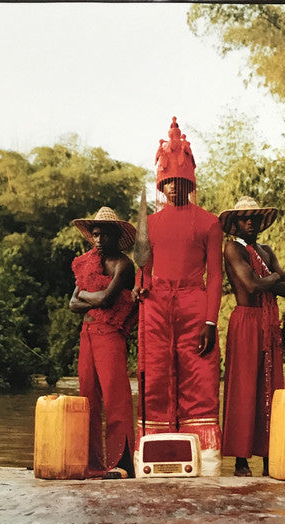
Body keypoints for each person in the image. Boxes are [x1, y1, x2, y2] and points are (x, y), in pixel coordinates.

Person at [133, 117, 223, 476]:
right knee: (154, 375)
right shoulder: (149, 224)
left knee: (200, 374)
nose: (173, 186)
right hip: (155, 304)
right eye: (167, 181)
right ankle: (153, 458)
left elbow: (215, 276)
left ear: (190, 182)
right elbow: (144, 268)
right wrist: (141, 286)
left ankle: (206, 462)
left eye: (180, 181)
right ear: (161, 184)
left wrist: (210, 320)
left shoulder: (209, 222)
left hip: (193, 301)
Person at [219, 196, 285, 477]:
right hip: (246, 321)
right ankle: (240, 460)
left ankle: (268, 458)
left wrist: (273, 281)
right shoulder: (231, 249)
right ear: (235, 224)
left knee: (271, 387)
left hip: (269, 323)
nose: (250, 222)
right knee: (244, 386)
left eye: (254, 217)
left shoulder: (266, 250)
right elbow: (251, 286)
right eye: (244, 218)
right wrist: (275, 278)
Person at [70, 206, 137, 479]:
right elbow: (72, 304)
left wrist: (86, 296)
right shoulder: (86, 262)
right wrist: (90, 296)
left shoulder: (123, 264)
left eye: (104, 235)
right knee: (87, 397)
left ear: (115, 236)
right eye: (95, 235)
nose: (98, 240)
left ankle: (122, 463)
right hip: (87, 335)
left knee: (116, 397)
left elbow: (106, 300)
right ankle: (93, 462)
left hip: (110, 334)